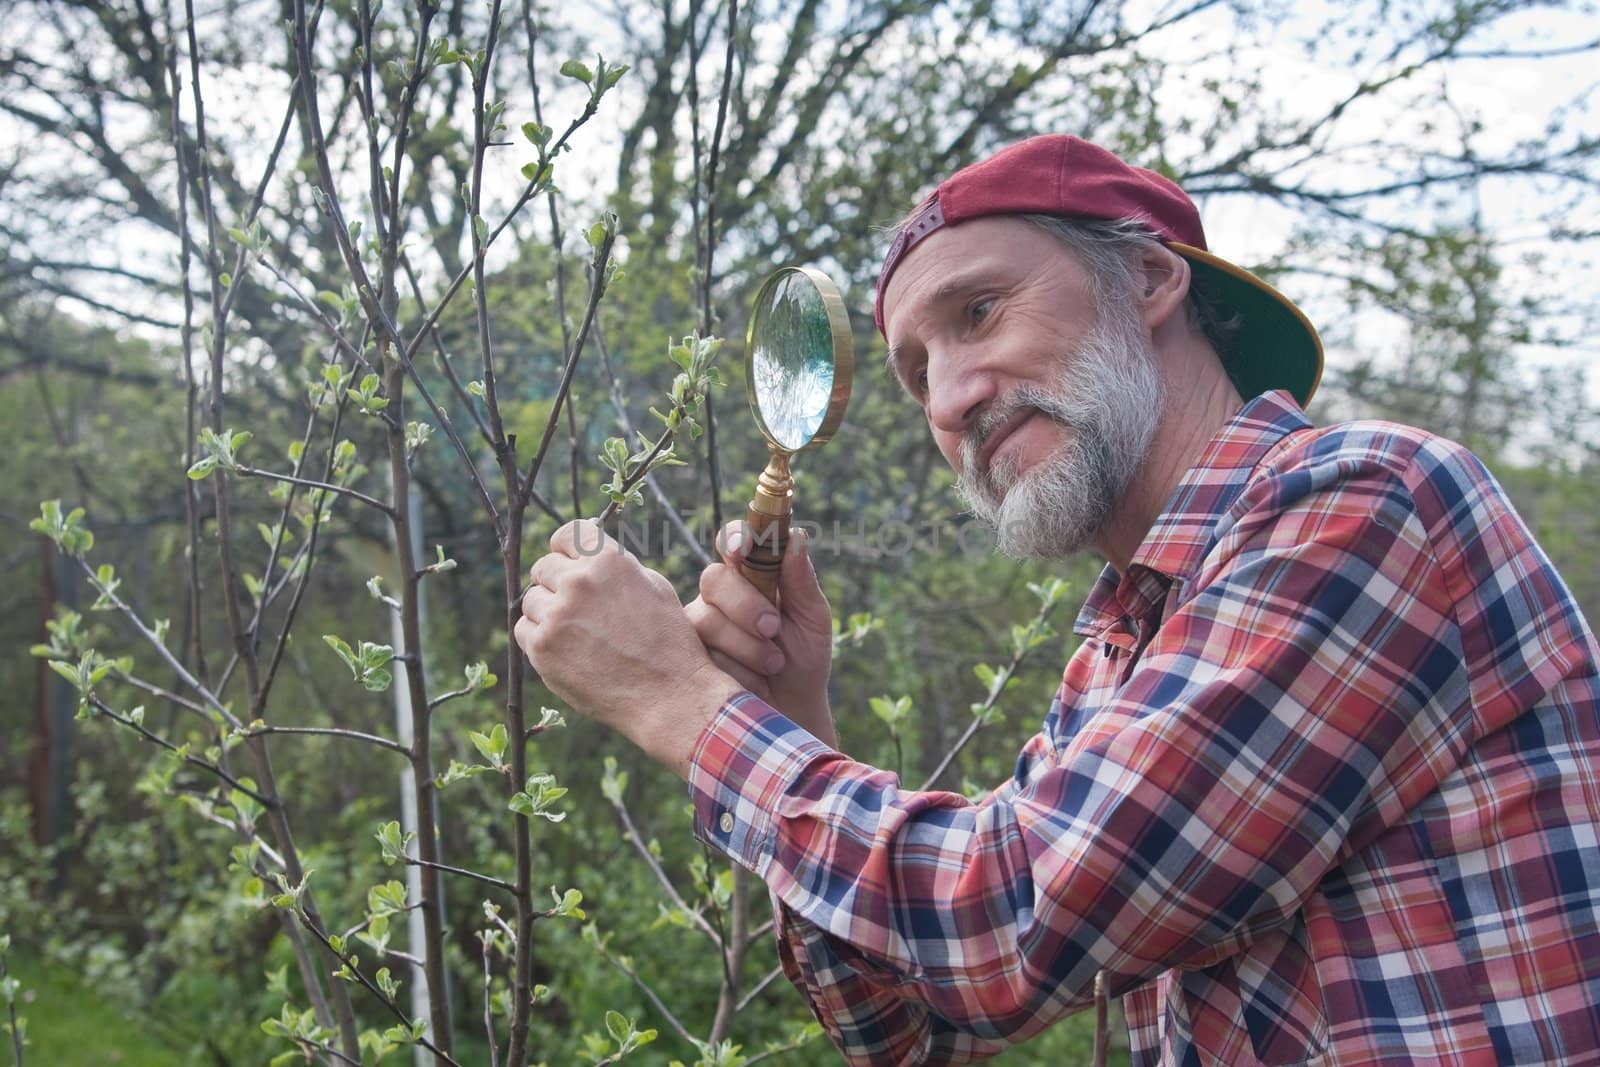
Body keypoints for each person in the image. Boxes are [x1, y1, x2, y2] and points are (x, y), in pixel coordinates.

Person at [515, 135, 1600, 1065]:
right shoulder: (1124, 637)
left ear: (1147, 279)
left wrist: (678, 703)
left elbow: (1012, 918)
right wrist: (791, 715)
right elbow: (914, 1028)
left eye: (978, 312)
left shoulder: (1362, 501)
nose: (949, 397)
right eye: (913, 371)